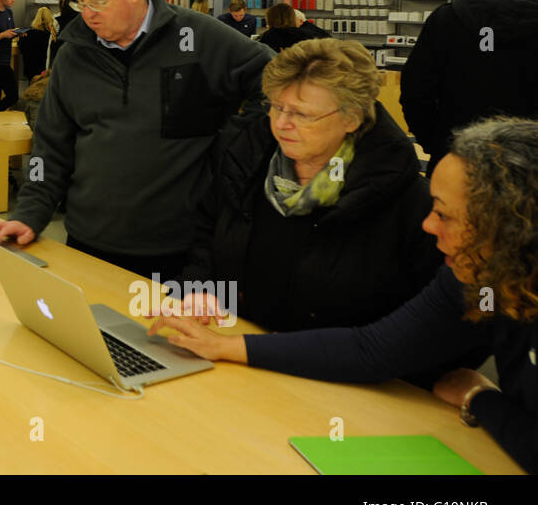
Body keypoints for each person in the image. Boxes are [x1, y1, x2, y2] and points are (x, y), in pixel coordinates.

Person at [149, 117, 538, 475]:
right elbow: (371, 350)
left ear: (510, 227)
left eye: (444, 214)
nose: (427, 224)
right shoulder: (475, 273)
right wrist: (223, 347)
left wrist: (481, 401)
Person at [0, 0, 273, 283]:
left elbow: (277, 82)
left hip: (180, 255)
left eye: (98, 1)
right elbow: (49, 149)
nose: (88, 13)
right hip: (87, 244)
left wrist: (236, 142)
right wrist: (29, 214)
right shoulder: (72, 54)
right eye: (81, 2)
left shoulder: (199, 36)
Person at [181, 39, 442, 336]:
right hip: (234, 345)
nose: (281, 123)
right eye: (276, 106)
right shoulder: (246, 162)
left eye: (301, 114)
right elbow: (205, 232)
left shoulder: (406, 202)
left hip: (338, 372)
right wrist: (199, 289)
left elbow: (432, 317)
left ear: (352, 118)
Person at [401, 0, 538, 175]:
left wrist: (438, 145)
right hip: (529, 174)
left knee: (449, 211)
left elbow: (416, 94)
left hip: (454, 162)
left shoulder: (447, 17)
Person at [20, 6, 55, 80]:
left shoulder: (26, 32)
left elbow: (21, 48)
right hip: (44, 69)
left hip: (30, 68)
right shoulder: (51, 35)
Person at [49, 0, 77, 66]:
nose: (63, 5)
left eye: (65, 3)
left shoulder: (77, 20)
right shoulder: (57, 18)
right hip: (58, 53)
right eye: (62, 2)